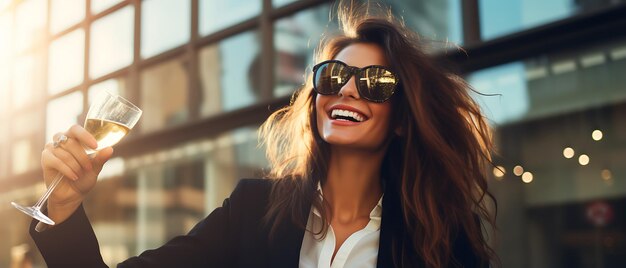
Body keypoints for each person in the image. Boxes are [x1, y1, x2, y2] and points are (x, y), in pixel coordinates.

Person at [29, 4, 498, 268]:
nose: (349, 89)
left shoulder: (440, 233)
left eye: (376, 83)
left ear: (399, 117)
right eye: (334, 76)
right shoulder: (254, 209)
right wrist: (64, 209)